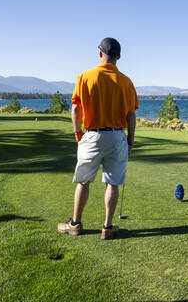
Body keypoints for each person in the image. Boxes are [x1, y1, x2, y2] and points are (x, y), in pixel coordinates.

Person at [58, 37, 139, 240]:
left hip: (92, 135)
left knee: (84, 181)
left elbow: (75, 108)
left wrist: (78, 133)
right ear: (119, 56)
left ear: (99, 53)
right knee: (112, 183)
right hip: (117, 136)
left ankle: (75, 224)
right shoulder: (126, 82)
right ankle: (107, 227)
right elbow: (131, 115)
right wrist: (130, 141)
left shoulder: (85, 76)